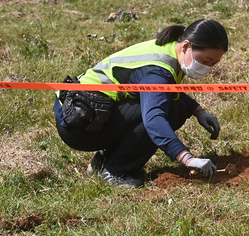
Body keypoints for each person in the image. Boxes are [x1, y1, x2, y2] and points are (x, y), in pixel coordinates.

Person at [54, 18, 228, 188]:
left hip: (84, 112)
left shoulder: (170, 49)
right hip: (79, 124)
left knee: (176, 107)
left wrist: (198, 111)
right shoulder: (159, 70)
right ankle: (116, 172)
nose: (207, 67)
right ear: (186, 46)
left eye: (214, 63)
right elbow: (154, 118)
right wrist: (186, 158)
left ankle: (104, 162)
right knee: (171, 111)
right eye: (205, 61)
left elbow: (165, 91)